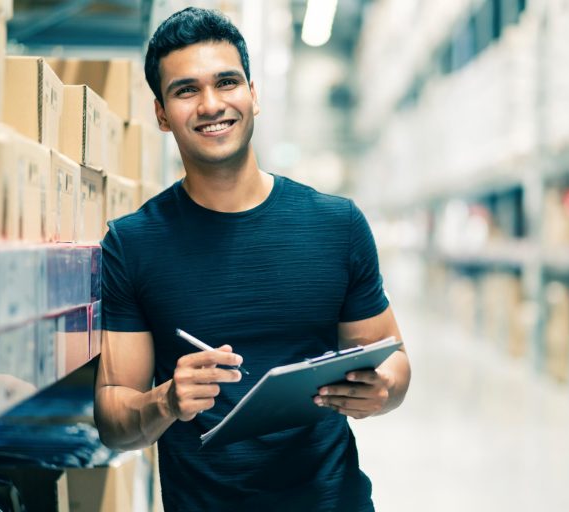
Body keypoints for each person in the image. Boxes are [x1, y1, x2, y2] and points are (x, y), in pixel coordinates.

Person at [94, 7, 411, 511]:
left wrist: (382, 390)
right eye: (186, 90)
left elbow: (392, 361)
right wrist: (166, 401)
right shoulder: (133, 244)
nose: (211, 104)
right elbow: (114, 419)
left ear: (253, 95)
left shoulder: (337, 224)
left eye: (227, 82)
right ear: (160, 114)